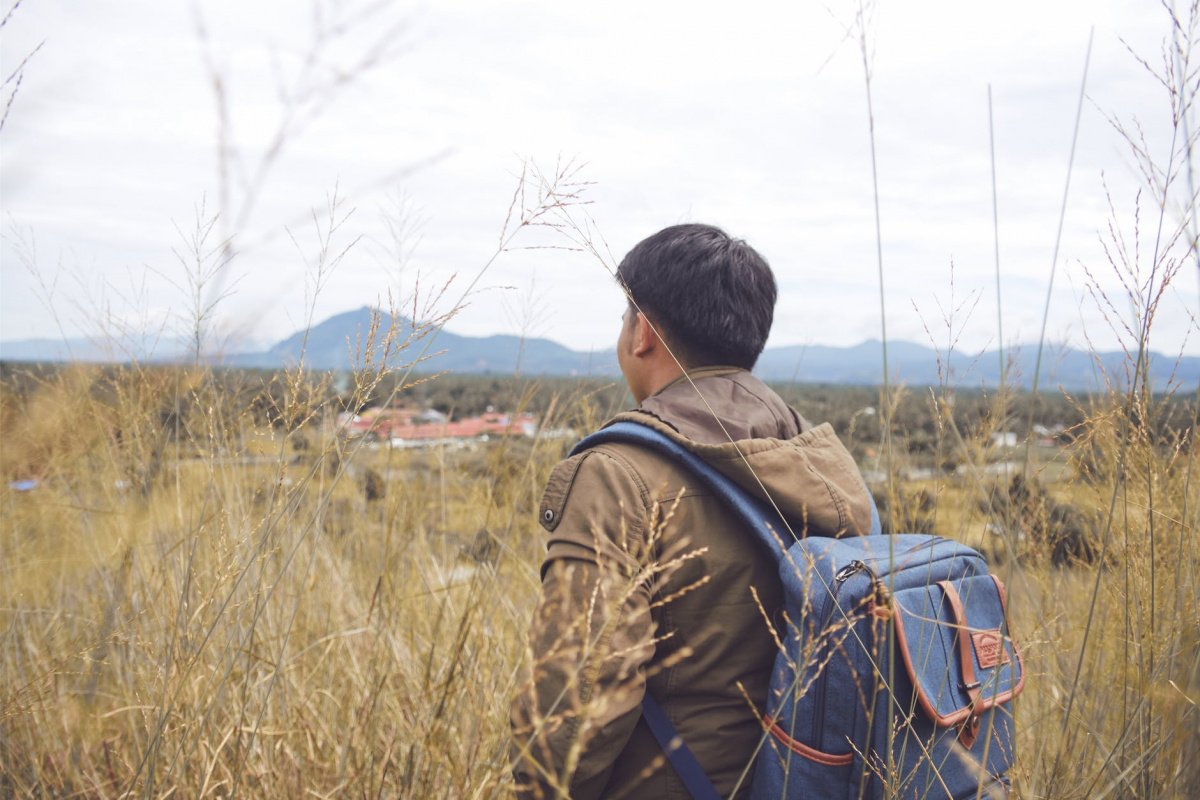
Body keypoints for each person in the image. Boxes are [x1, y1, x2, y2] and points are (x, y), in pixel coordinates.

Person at [510, 223, 874, 799]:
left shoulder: (616, 474)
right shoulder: (821, 464)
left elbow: (580, 698)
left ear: (643, 334)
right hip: (808, 782)